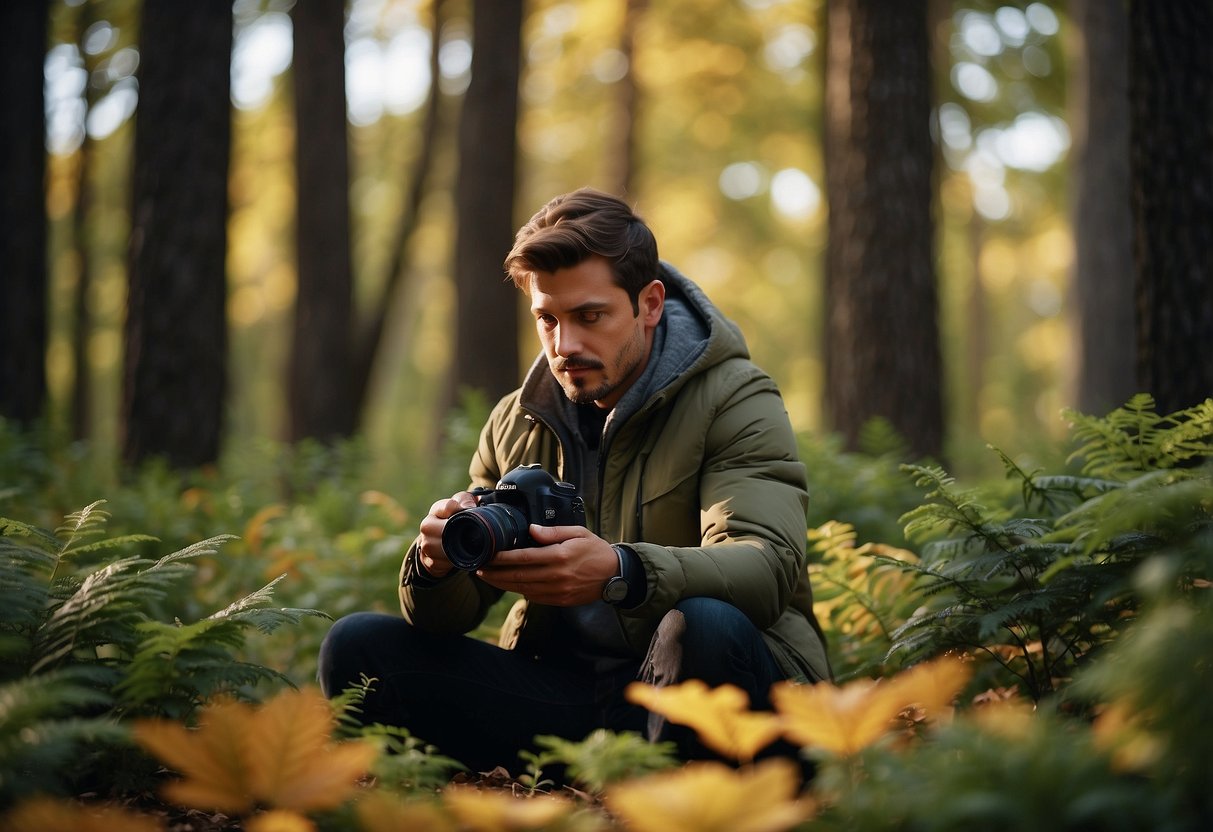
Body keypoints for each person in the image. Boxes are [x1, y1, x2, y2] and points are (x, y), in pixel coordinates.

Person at [318, 188, 831, 775]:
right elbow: (445, 620)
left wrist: (620, 572)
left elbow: (766, 566)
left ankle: (687, 799)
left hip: (712, 691)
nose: (566, 346)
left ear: (650, 304)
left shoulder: (735, 398)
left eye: (590, 316)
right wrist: (438, 565)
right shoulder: (519, 419)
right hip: (571, 699)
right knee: (358, 647)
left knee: (705, 625)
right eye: (548, 319)